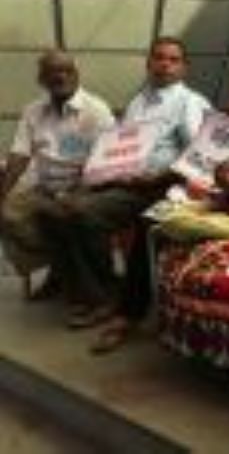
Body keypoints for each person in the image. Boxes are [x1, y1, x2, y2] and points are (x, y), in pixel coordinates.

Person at [59, 38, 211, 349]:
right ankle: (101, 296)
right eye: (159, 58)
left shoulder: (189, 102)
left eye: (173, 59)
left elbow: (198, 154)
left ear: (184, 67)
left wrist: (157, 177)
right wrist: (103, 171)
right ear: (149, 63)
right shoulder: (138, 101)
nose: (165, 64)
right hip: (130, 185)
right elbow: (120, 146)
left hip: (169, 187)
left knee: (144, 222)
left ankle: (126, 312)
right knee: (75, 209)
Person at [0, 51, 115, 298]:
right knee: (8, 214)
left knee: (67, 217)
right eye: (53, 71)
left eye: (66, 70)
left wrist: (77, 192)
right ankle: (59, 269)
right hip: (45, 188)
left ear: (77, 75)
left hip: (86, 187)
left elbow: (105, 161)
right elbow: (19, 155)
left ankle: (76, 284)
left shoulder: (96, 110)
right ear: (42, 78)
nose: (60, 76)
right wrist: (3, 193)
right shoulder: (33, 111)